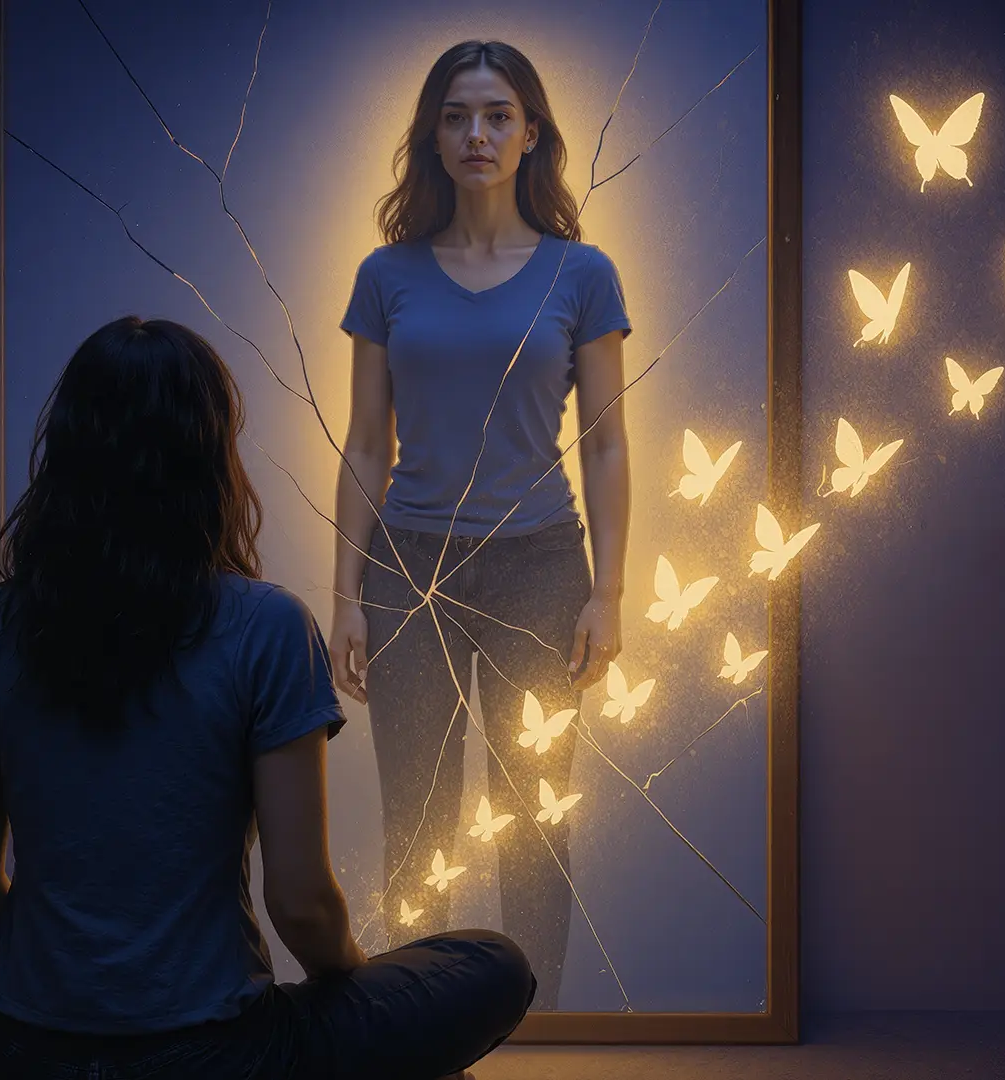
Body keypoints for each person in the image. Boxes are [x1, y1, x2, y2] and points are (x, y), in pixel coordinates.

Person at [0, 314, 533, 1079]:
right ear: (210, 455)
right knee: (491, 963)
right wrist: (352, 993)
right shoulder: (265, 626)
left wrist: (70, 991)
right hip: (220, 1057)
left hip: (25, 1051)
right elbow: (299, 903)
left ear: (64, 451)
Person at [330, 40, 634, 1013]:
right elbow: (366, 446)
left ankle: (532, 1033)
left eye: (497, 114)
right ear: (433, 136)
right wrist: (346, 598)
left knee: (534, 820)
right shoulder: (388, 275)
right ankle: (421, 1038)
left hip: (542, 566)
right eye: (457, 116)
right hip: (407, 563)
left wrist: (609, 590)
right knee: (416, 822)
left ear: (530, 132)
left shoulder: (582, 274)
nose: (477, 133)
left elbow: (607, 447)